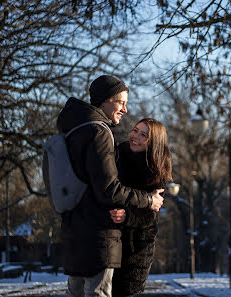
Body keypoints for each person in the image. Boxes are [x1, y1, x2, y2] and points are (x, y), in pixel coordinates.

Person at [56, 75, 164, 297]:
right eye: (121, 102)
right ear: (105, 100)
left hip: (74, 230)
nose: (125, 109)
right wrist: (149, 200)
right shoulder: (99, 132)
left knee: (74, 292)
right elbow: (109, 190)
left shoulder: (73, 129)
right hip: (98, 233)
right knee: (98, 293)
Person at [109, 118, 173, 297]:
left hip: (137, 246)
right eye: (135, 130)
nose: (135, 136)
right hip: (110, 237)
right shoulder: (118, 153)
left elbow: (150, 215)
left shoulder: (157, 170)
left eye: (143, 134)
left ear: (153, 142)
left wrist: (127, 215)